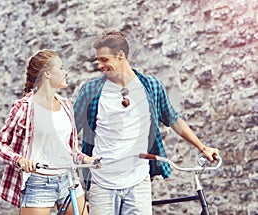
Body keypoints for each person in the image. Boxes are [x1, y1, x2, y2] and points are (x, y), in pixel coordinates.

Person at [73, 30, 220, 215]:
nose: (100, 65)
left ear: (121, 55)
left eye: (104, 59)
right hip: (102, 182)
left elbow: (173, 119)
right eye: (98, 60)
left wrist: (202, 147)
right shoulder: (91, 90)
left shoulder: (150, 86)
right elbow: (69, 128)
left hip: (138, 181)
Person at [0, 49, 97, 215]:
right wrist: (20, 160)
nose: (65, 72)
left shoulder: (66, 105)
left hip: (69, 179)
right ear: (47, 74)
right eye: (61, 68)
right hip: (39, 183)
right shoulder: (24, 107)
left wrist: (85, 158)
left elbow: (69, 149)